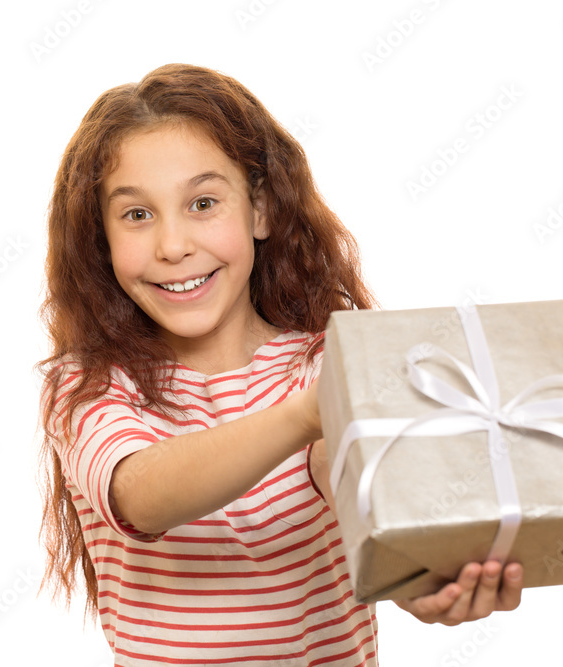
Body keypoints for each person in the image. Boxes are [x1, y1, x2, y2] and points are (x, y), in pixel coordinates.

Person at [37, 63, 523, 666]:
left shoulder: (325, 364)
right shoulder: (87, 386)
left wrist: (425, 581)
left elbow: (361, 498)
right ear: (101, 240)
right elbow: (141, 493)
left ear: (260, 210)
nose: (172, 245)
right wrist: (306, 416)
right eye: (137, 215)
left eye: (203, 202)